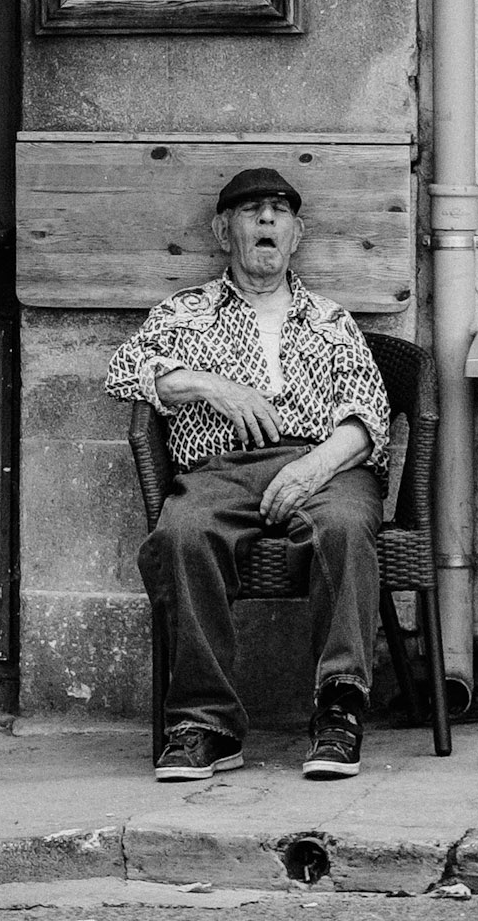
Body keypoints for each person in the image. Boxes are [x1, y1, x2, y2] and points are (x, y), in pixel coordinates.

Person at [106, 165, 390, 783]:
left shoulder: (331, 320)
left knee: (343, 524)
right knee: (181, 534)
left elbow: (369, 417)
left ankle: (340, 709)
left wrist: (316, 465)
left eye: (280, 211)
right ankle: (205, 724)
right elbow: (128, 369)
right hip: (221, 469)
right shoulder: (187, 312)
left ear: (297, 234)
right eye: (250, 210)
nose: (266, 220)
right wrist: (217, 387)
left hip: (322, 465)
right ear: (221, 229)